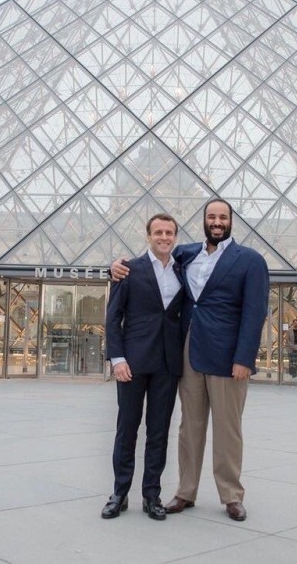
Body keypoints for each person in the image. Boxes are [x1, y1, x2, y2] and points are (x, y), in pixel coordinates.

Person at [112, 198, 269, 522]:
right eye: (211, 216)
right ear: (203, 221)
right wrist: (113, 267)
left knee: (228, 429)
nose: (216, 221)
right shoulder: (185, 254)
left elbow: (255, 313)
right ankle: (186, 491)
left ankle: (231, 496)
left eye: (222, 217)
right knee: (189, 427)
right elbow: (149, 263)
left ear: (230, 221)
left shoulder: (250, 260)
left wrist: (244, 358)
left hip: (228, 358)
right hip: (189, 352)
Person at [102, 213, 184, 521]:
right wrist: (118, 359)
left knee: (158, 432)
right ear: (148, 236)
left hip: (167, 364)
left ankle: (152, 495)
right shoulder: (128, 270)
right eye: (159, 232)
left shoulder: (183, 269)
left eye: (170, 233)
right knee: (127, 430)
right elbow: (113, 318)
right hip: (132, 364)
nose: (164, 237)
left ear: (175, 236)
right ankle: (119, 493)